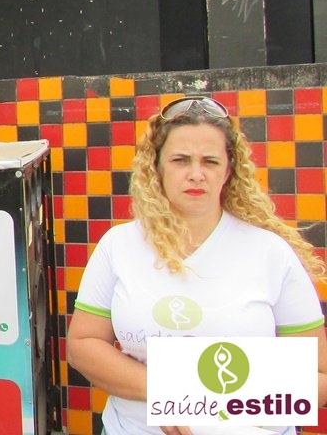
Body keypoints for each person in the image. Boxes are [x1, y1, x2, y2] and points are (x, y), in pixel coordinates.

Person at [67, 95, 327, 435]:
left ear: (229, 170)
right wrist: (168, 393)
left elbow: (319, 375)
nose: (196, 174)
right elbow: (82, 345)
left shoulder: (270, 252)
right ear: (156, 167)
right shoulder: (118, 245)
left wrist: (226, 406)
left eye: (210, 161)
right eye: (180, 160)